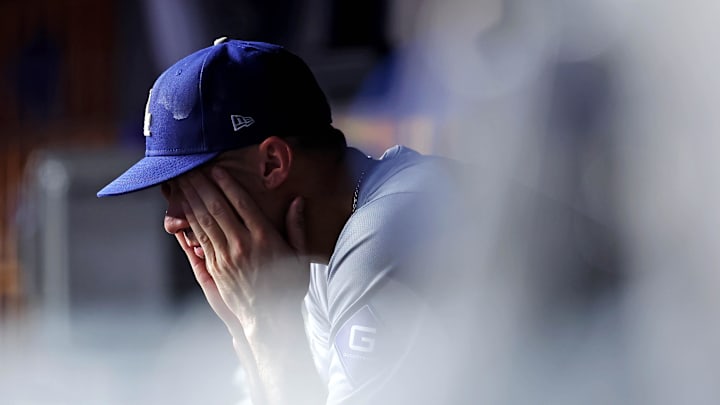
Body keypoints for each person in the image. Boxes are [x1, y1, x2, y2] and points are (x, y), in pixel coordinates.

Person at [98, 38, 470, 405]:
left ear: (272, 163)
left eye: (188, 187)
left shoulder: (388, 230)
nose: (173, 221)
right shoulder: (304, 252)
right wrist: (244, 327)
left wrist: (267, 321)